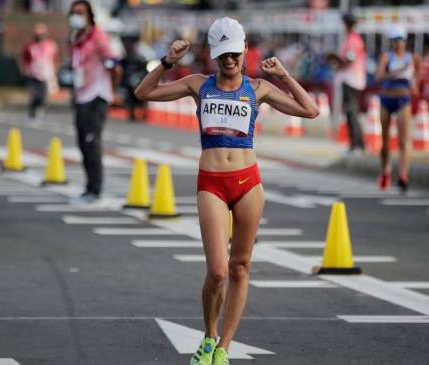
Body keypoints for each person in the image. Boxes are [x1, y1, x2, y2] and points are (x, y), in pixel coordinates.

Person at [135, 17, 318, 365]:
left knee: (240, 268)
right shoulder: (197, 84)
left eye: (234, 53)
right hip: (212, 183)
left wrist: (283, 75)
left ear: (245, 50)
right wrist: (168, 62)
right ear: (213, 55)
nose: (229, 60)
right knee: (218, 271)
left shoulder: (259, 87)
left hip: (249, 182)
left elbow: (310, 110)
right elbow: (143, 93)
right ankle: (209, 335)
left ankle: (225, 347)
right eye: (223, 55)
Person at [68, 0, 122, 204]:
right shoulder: (76, 37)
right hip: (81, 95)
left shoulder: (98, 37)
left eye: (80, 12)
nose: (76, 16)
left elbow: (115, 66)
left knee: (92, 143)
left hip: (96, 96)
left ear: (89, 15)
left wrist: (112, 92)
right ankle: (89, 186)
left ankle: (95, 189)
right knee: (82, 143)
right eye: (73, 12)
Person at [375, 25, 419, 193]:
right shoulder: (387, 57)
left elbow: (418, 73)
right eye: (394, 41)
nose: (397, 44)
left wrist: (414, 84)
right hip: (387, 98)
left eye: (399, 40)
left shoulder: (412, 57)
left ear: (405, 41)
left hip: (403, 99)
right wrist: (393, 73)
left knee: (403, 140)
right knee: (385, 141)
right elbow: (378, 76)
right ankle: (385, 170)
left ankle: (403, 176)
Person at [327, 13, 366, 152]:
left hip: (352, 80)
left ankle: (357, 144)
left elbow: (350, 59)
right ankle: (355, 143)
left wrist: (337, 63)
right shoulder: (351, 38)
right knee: (350, 112)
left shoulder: (354, 39)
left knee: (352, 112)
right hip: (349, 79)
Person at [21, 23, 59, 120]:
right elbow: (25, 59)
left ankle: (39, 108)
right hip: (33, 74)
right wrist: (25, 68)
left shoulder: (51, 46)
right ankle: (32, 110)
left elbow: (54, 60)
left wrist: (54, 72)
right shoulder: (30, 46)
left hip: (45, 75)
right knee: (34, 94)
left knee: (42, 96)